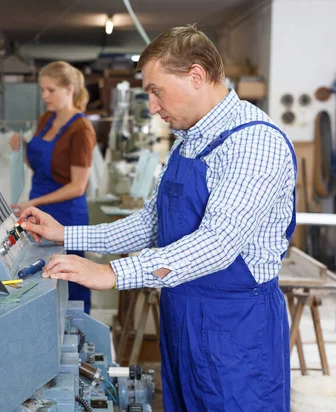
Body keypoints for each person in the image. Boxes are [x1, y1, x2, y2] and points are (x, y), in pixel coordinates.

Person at [19, 25, 296, 411]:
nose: (152, 106)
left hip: (235, 327)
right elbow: (151, 223)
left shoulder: (253, 142)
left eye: (155, 90)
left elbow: (216, 245)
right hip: (182, 313)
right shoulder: (189, 140)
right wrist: (68, 234)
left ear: (196, 76)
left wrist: (113, 274)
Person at [9, 61, 96, 313]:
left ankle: (79, 333)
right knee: (40, 274)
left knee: (71, 277)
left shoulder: (81, 128)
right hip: (38, 208)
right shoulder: (46, 119)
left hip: (67, 214)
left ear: (69, 89)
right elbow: (36, 164)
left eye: (50, 90)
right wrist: (22, 147)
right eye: (42, 90)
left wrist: (34, 203)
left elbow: (78, 187)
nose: (44, 96)